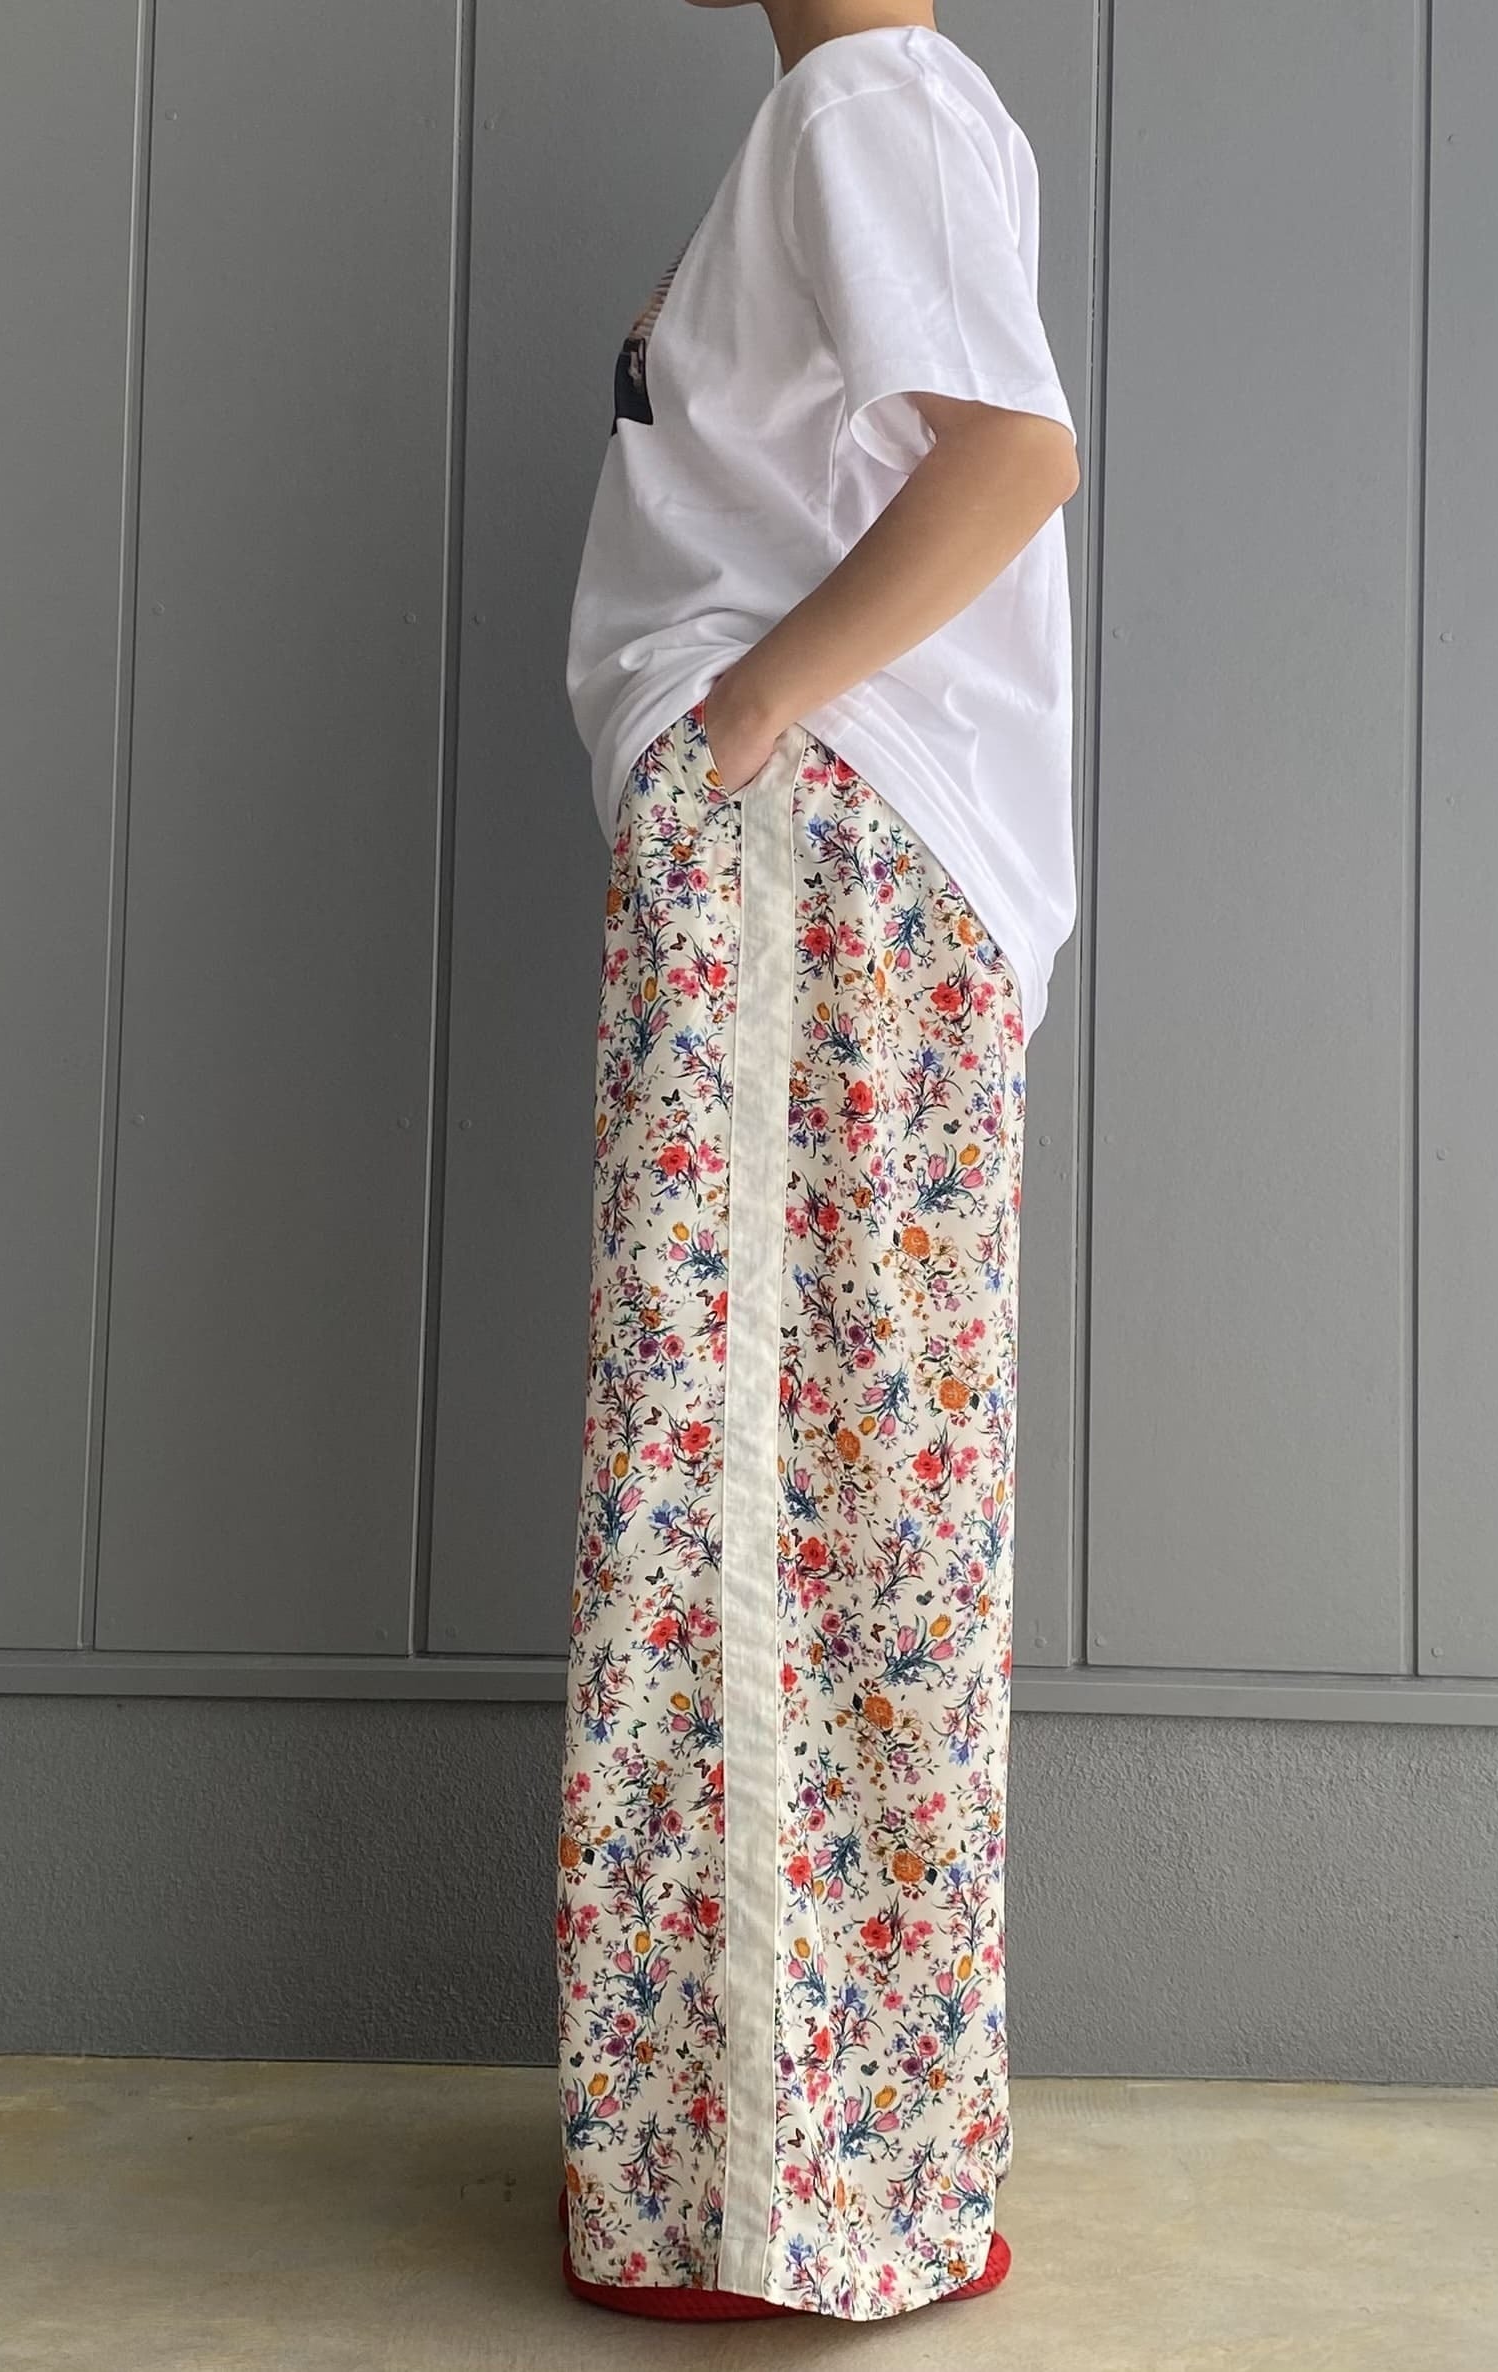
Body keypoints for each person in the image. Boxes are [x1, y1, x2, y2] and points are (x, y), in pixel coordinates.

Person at [554, 0, 1080, 2323]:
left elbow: (1013, 456)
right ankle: (837, 2168)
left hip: (814, 850)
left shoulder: (869, 100)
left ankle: (761, 2198)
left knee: (752, 1488)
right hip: (847, 860)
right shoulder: (868, 118)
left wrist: (751, 712)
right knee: (840, 1494)